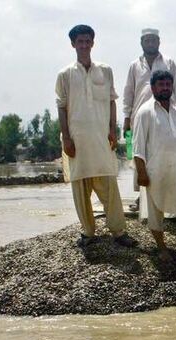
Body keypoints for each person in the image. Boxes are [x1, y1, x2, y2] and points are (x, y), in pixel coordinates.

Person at [55, 24, 137, 248]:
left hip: (101, 137)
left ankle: (119, 231)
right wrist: (66, 138)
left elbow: (112, 101)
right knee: (80, 187)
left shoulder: (105, 70)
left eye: (87, 40)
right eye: (79, 41)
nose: (83, 44)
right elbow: (61, 107)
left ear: (93, 42)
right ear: (73, 44)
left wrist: (113, 129)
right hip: (77, 139)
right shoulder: (65, 74)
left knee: (109, 183)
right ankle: (88, 232)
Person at [132, 70, 176, 256]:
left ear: (172, 87)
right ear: (153, 87)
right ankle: (161, 247)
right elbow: (137, 146)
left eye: (168, 85)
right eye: (161, 84)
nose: (165, 88)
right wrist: (141, 172)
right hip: (156, 169)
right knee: (156, 210)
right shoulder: (144, 112)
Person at [123, 28, 176, 212]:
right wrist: (126, 118)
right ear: (142, 43)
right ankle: (143, 197)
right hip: (139, 118)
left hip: (165, 116)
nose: (150, 43)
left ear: (159, 42)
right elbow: (128, 92)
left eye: (153, 40)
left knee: (165, 155)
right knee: (137, 156)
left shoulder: (169, 63)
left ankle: (168, 197)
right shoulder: (135, 65)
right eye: (147, 40)